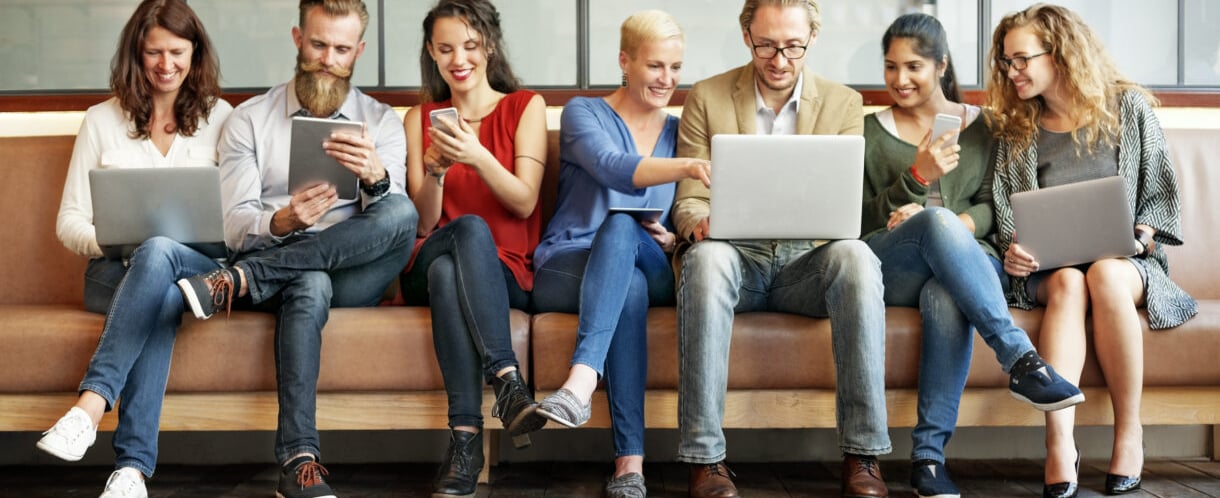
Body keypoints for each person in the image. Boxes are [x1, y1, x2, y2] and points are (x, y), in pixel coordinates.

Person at [173, 1, 418, 497]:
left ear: (359, 52)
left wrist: (377, 177)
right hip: (292, 270)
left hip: (353, 272)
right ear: (297, 39)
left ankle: (237, 283)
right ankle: (299, 461)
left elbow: (395, 224)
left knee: (402, 211)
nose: (328, 58)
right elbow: (234, 226)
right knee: (309, 280)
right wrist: (284, 220)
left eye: (342, 49)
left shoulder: (382, 122)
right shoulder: (249, 120)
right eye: (319, 44)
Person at [861, 13, 1084, 498]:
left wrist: (958, 224)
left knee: (946, 291)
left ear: (941, 66)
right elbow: (856, 221)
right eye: (891, 67)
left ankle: (928, 461)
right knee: (932, 224)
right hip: (895, 262)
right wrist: (913, 185)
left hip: (970, 266)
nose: (900, 79)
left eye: (914, 66)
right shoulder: (870, 133)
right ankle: (1022, 361)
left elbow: (995, 204)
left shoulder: (986, 128)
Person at [672, 1, 890, 497]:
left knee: (855, 256)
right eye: (766, 44)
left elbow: (843, 206)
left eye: (792, 45)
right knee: (704, 261)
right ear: (746, 34)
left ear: (813, 37)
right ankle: (705, 460)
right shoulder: (706, 97)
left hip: (804, 264)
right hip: (733, 256)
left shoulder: (843, 103)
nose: (779, 58)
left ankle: (864, 454)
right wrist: (698, 221)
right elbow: (688, 197)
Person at [987, 4, 1198, 497]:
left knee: (1102, 272)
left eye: (1021, 59)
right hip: (1051, 271)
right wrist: (1013, 252)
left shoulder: (1129, 108)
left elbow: (1161, 199)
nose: (1011, 71)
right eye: (1006, 62)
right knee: (1068, 280)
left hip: (1126, 264)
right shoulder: (1017, 127)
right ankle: (1060, 443)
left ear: (1058, 53)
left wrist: (1141, 235)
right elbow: (1007, 213)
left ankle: (1130, 432)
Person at [38, 1, 232, 496]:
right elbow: (69, 223)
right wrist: (119, 241)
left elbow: (240, 221)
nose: (166, 65)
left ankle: (91, 410)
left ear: (196, 53)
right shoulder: (101, 121)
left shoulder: (223, 119)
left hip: (199, 272)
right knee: (157, 279)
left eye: (176, 52)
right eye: (153, 53)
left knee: (163, 256)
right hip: (115, 273)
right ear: (135, 54)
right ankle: (130, 471)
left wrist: (158, 248)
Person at [530, 10, 710, 498]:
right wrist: (687, 165)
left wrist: (676, 239)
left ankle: (579, 385)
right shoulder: (582, 113)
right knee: (621, 254)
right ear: (624, 62)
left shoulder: (682, 129)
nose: (667, 80)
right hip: (569, 263)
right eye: (655, 66)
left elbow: (690, 212)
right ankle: (629, 465)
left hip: (651, 260)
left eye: (676, 68)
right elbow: (612, 168)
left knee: (626, 238)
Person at [399, 1, 547, 496]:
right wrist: (437, 171)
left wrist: (478, 156)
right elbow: (422, 223)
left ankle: (464, 441)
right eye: (445, 49)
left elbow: (525, 202)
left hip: (503, 270)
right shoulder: (418, 118)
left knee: (457, 261)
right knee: (461, 236)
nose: (458, 59)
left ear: (489, 44)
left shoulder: (525, 106)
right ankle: (507, 381)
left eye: (469, 45)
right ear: (431, 53)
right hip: (430, 254)